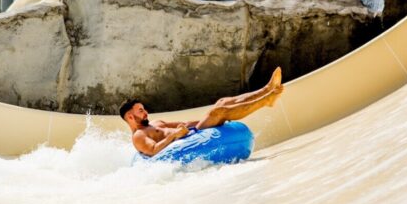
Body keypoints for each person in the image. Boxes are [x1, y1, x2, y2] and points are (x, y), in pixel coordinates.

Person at [119, 67, 284, 157]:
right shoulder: (138, 137)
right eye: (141, 111)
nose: (146, 112)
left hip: (193, 133)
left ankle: (265, 90)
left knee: (221, 103)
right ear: (131, 117)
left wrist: (207, 121)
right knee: (218, 111)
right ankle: (266, 101)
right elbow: (154, 150)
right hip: (183, 141)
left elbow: (188, 124)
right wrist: (173, 136)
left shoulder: (155, 123)